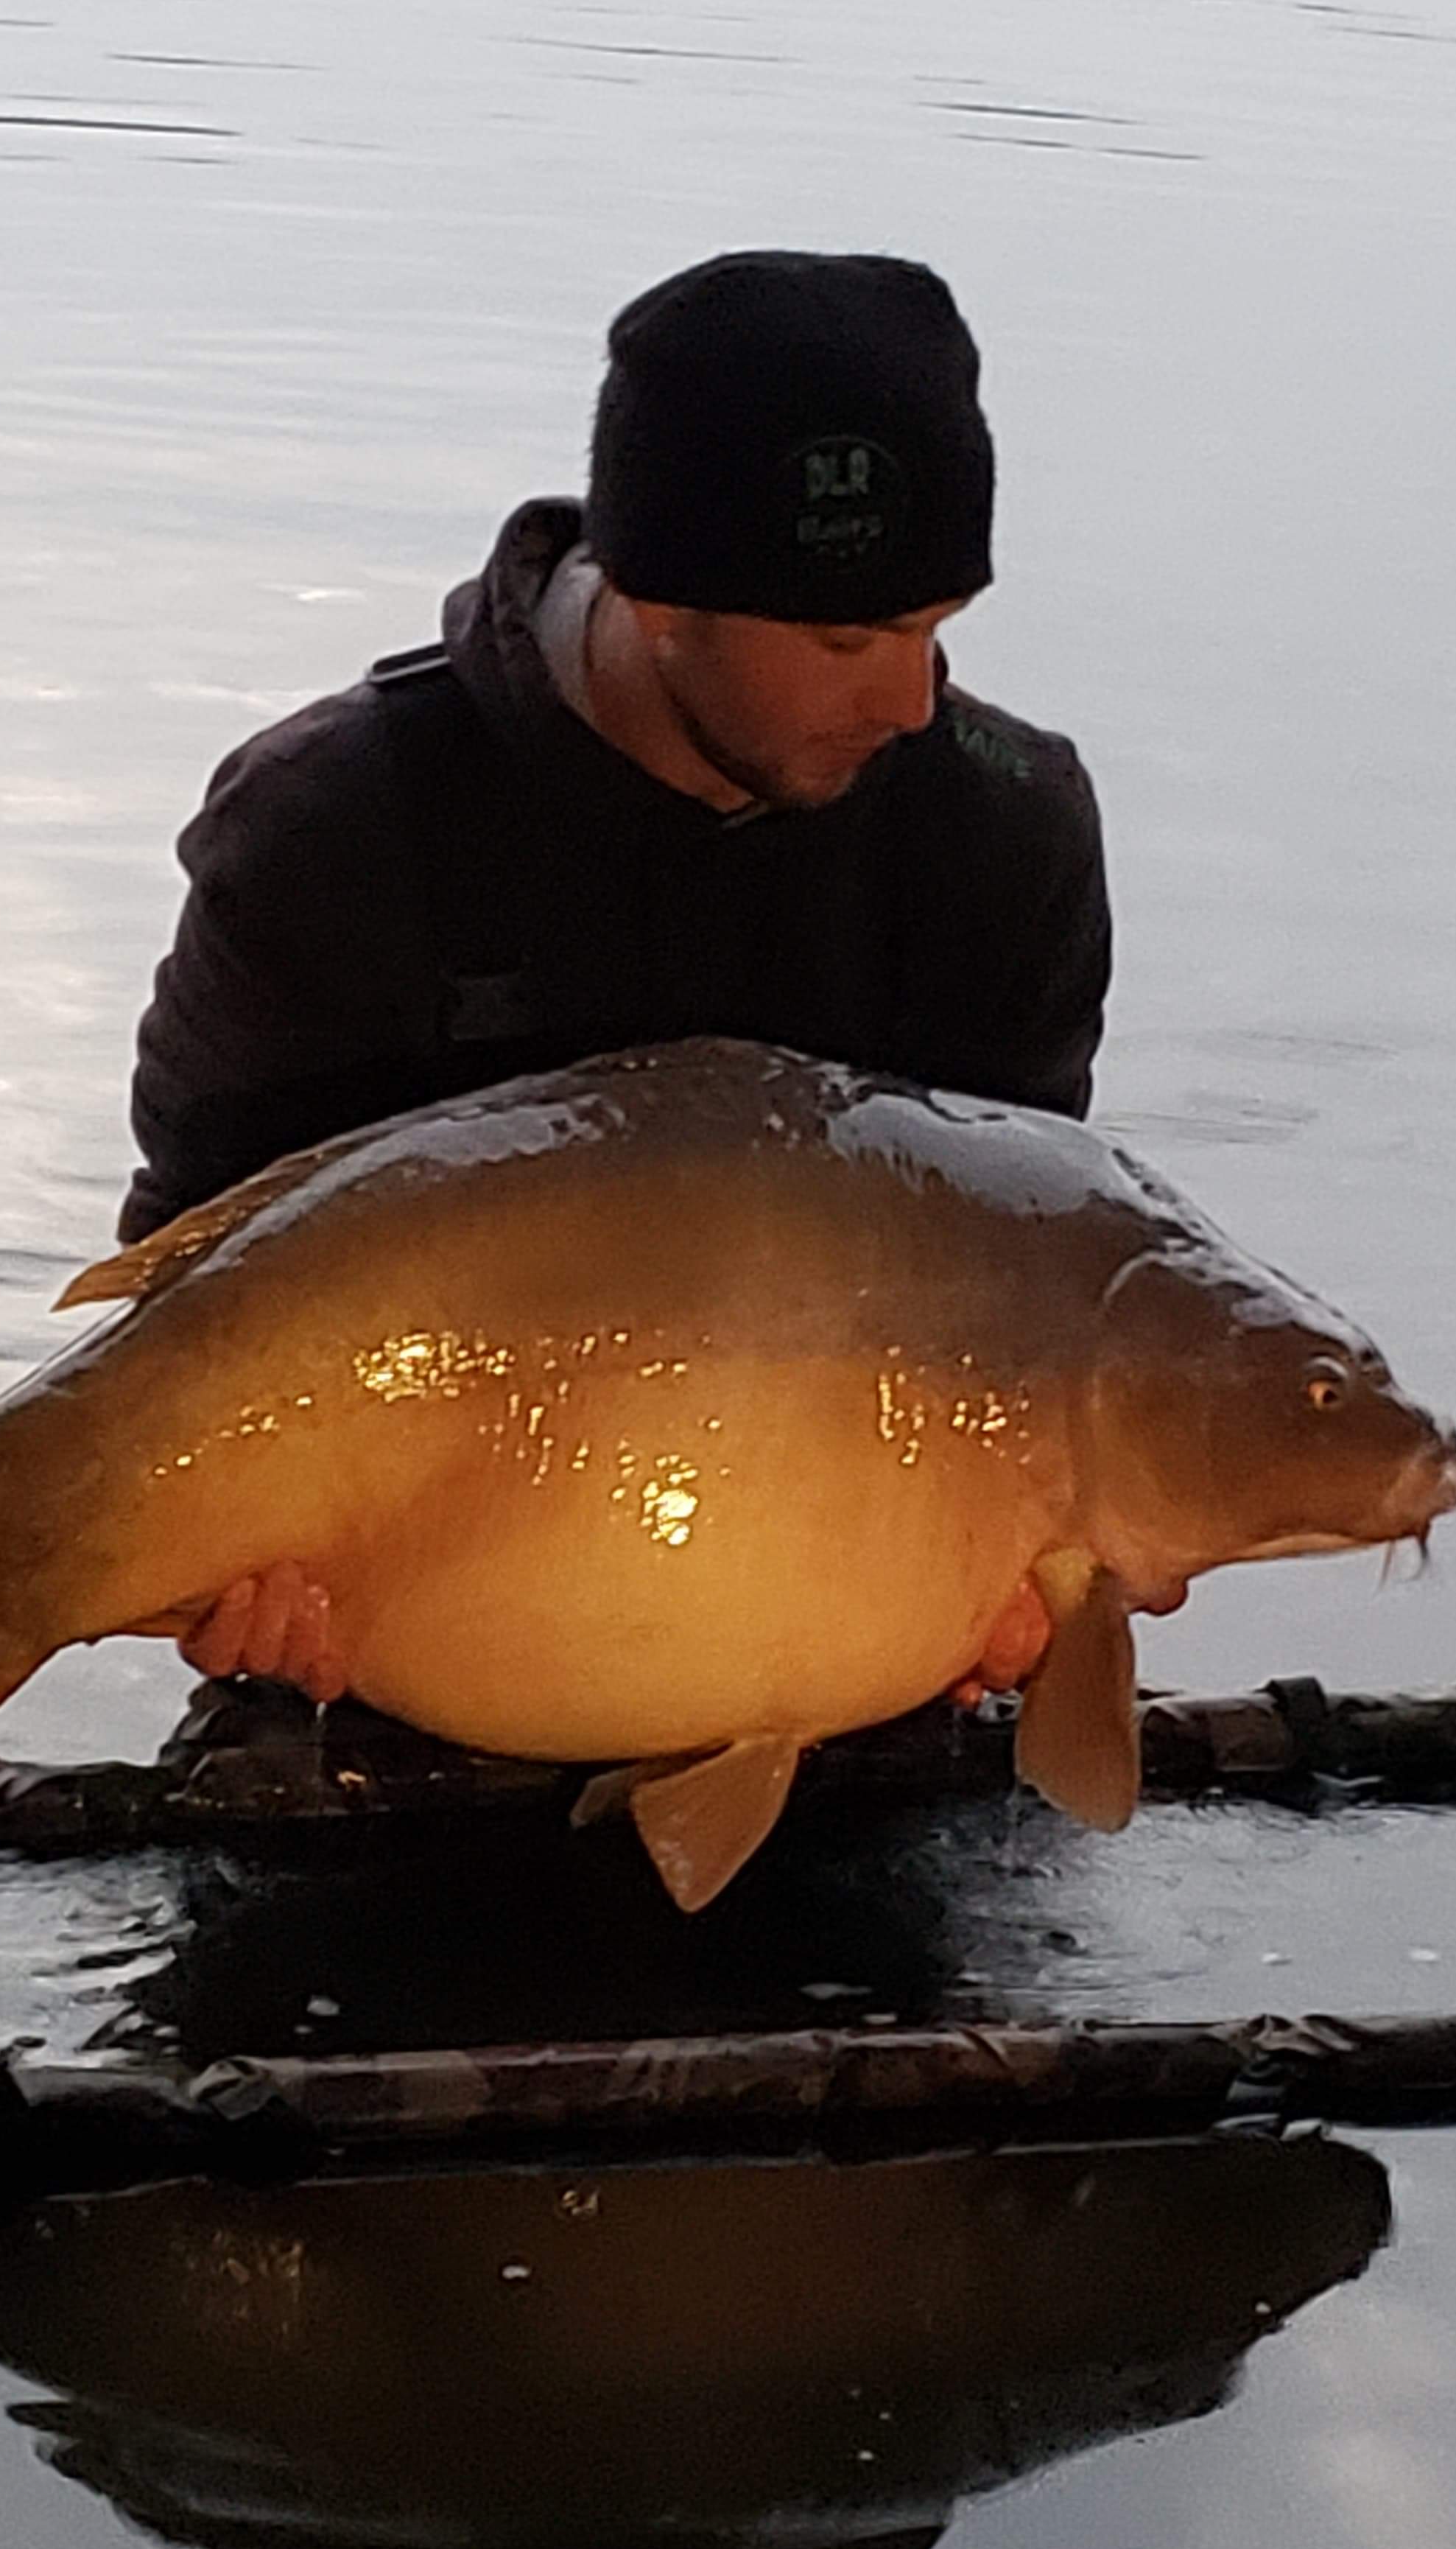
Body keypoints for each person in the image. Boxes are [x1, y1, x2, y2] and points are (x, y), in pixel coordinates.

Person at [122, 248, 1146, 1720]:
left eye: (937, 628)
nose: (911, 701)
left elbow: (1031, 1274)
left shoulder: (1007, 827)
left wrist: (1050, 1570)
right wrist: (231, 1574)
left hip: (859, 1641)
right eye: (848, 640)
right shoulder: (336, 821)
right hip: (396, 1640)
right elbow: (188, 1286)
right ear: (663, 601)